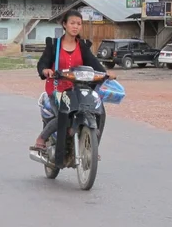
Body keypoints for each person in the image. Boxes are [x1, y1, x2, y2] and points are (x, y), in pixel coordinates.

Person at [33, 10, 115, 166]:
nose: (75, 26)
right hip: (58, 90)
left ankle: (92, 146)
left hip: (78, 89)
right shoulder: (54, 45)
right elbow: (43, 62)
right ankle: (42, 138)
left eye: (79, 24)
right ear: (65, 24)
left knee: (100, 111)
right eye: (72, 23)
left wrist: (106, 73)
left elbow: (94, 63)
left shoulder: (82, 46)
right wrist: (45, 70)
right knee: (64, 115)